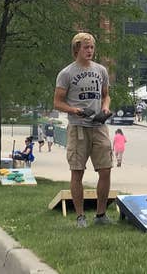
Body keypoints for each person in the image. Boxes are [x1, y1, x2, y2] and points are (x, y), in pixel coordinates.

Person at [53, 32, 114, 228]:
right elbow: (57, 102)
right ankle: (80, 216)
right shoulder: (66, 74)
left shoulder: (101, 71)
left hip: (99, 125)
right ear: (76, 49)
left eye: (92, 47)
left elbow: (106, 95)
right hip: (78, 127)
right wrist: (75, 110)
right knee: (77, 171)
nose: (90, 51)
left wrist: (105, 107)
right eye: (86, 47)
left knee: (105, 170)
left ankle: (101, 214)